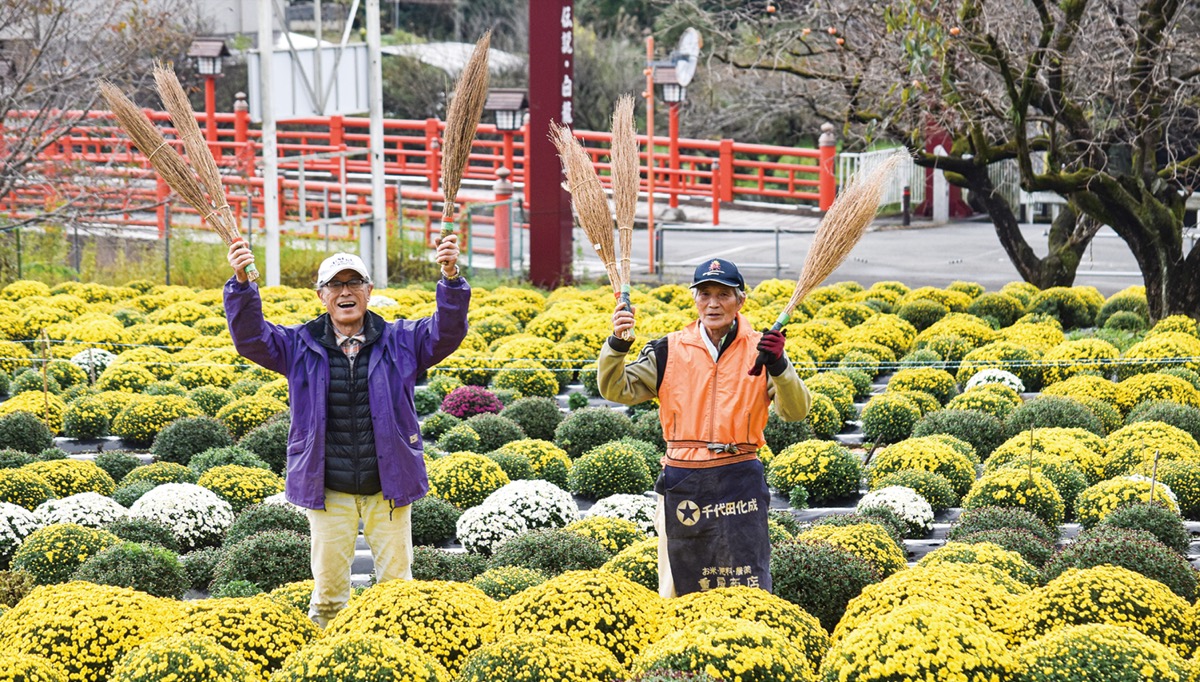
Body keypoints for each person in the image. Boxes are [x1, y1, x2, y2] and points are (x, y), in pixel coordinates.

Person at [224, 237, 469, 627]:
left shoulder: (401, 340)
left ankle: (397, 662)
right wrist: (241, 284)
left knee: (397, 593)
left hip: (387, 487)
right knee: (328, 598)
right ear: (321, 295)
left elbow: (447, 332)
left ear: (369, 292)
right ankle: (328, 662)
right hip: (328, 490)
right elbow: (251, 338)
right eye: (336, 285)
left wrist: (451, 277)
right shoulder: (298, 344)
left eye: (354, 283)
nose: (345, 292)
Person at [598, 258, 809, 598]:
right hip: (683, 479)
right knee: (678, 583)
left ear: (740, 300)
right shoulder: (667, 350)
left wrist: (781, 367)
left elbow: (795, 411)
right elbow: (616, 389)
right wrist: (617, 345)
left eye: (724, 294)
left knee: (746, 578)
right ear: (694, 299)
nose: (713, 303)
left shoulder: (763, 349)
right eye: (705, 293)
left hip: (739, 478)